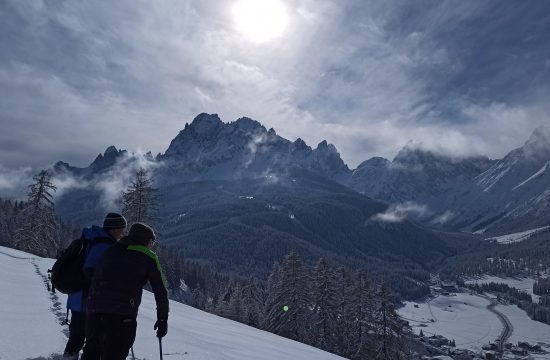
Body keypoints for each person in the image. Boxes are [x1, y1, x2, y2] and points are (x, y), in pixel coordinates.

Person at [81, 222, 169, 360]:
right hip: (122, 316)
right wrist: (162, 318)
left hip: (95, 313)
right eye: (152, 241)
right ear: (146, 240)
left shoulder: (111, 250)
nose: (153, 245)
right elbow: (161, 291)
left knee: (91, 354)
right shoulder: (148, 256)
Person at [63, 213, 127, 359]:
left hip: (79, 295)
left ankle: (70, 355)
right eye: (121, 228)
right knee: (81, 333)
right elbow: (91, 269)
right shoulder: (103, 244)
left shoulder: (95, 239)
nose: (122, 232)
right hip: (86, 297)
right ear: (114, 228)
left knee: (79, 332)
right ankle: (69, 356)